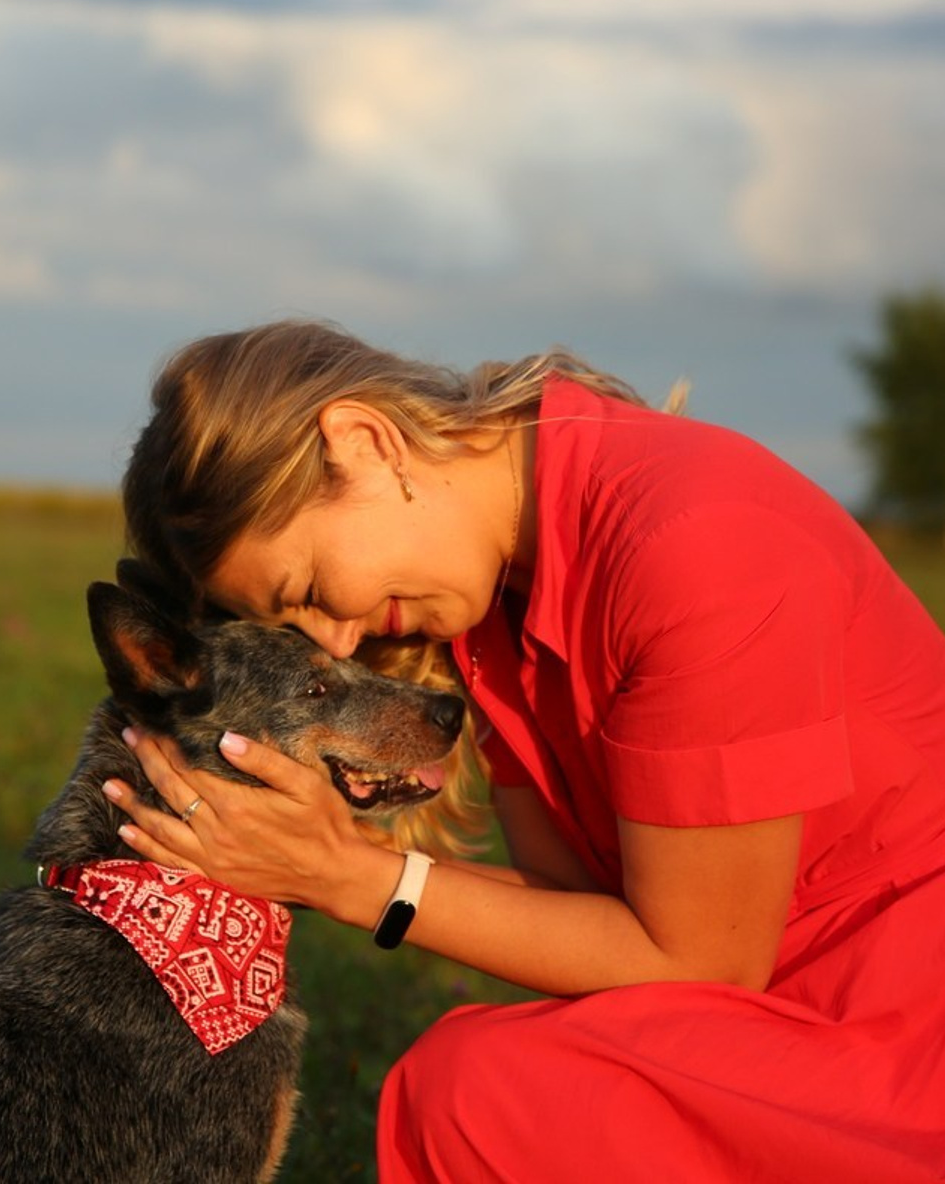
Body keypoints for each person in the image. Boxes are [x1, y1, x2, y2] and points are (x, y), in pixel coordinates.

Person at [102, 318, 945, 1182]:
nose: (342, 641)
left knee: (478, 1093)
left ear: (362, 441)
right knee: (483, 1090)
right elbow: (573, 901)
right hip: (791, 1010)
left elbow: (700, 962)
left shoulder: (696, 542)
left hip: (901, 1027)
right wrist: (310, 856)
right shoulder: (498, 601)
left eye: (311, 591)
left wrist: (349, 880)